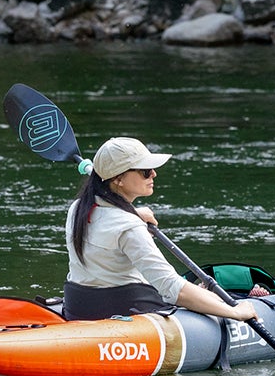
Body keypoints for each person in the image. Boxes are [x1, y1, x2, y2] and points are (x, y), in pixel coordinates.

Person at [62, 136, 261, 324]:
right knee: (217, 296)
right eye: (145, 171)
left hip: (78, 309)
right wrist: (234, 311)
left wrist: (133, 214)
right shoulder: (130, 228)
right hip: (126, 312)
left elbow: (107, 224)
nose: (154, 174)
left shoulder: (78, 209)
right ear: (118, 180)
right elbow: (172, 289)